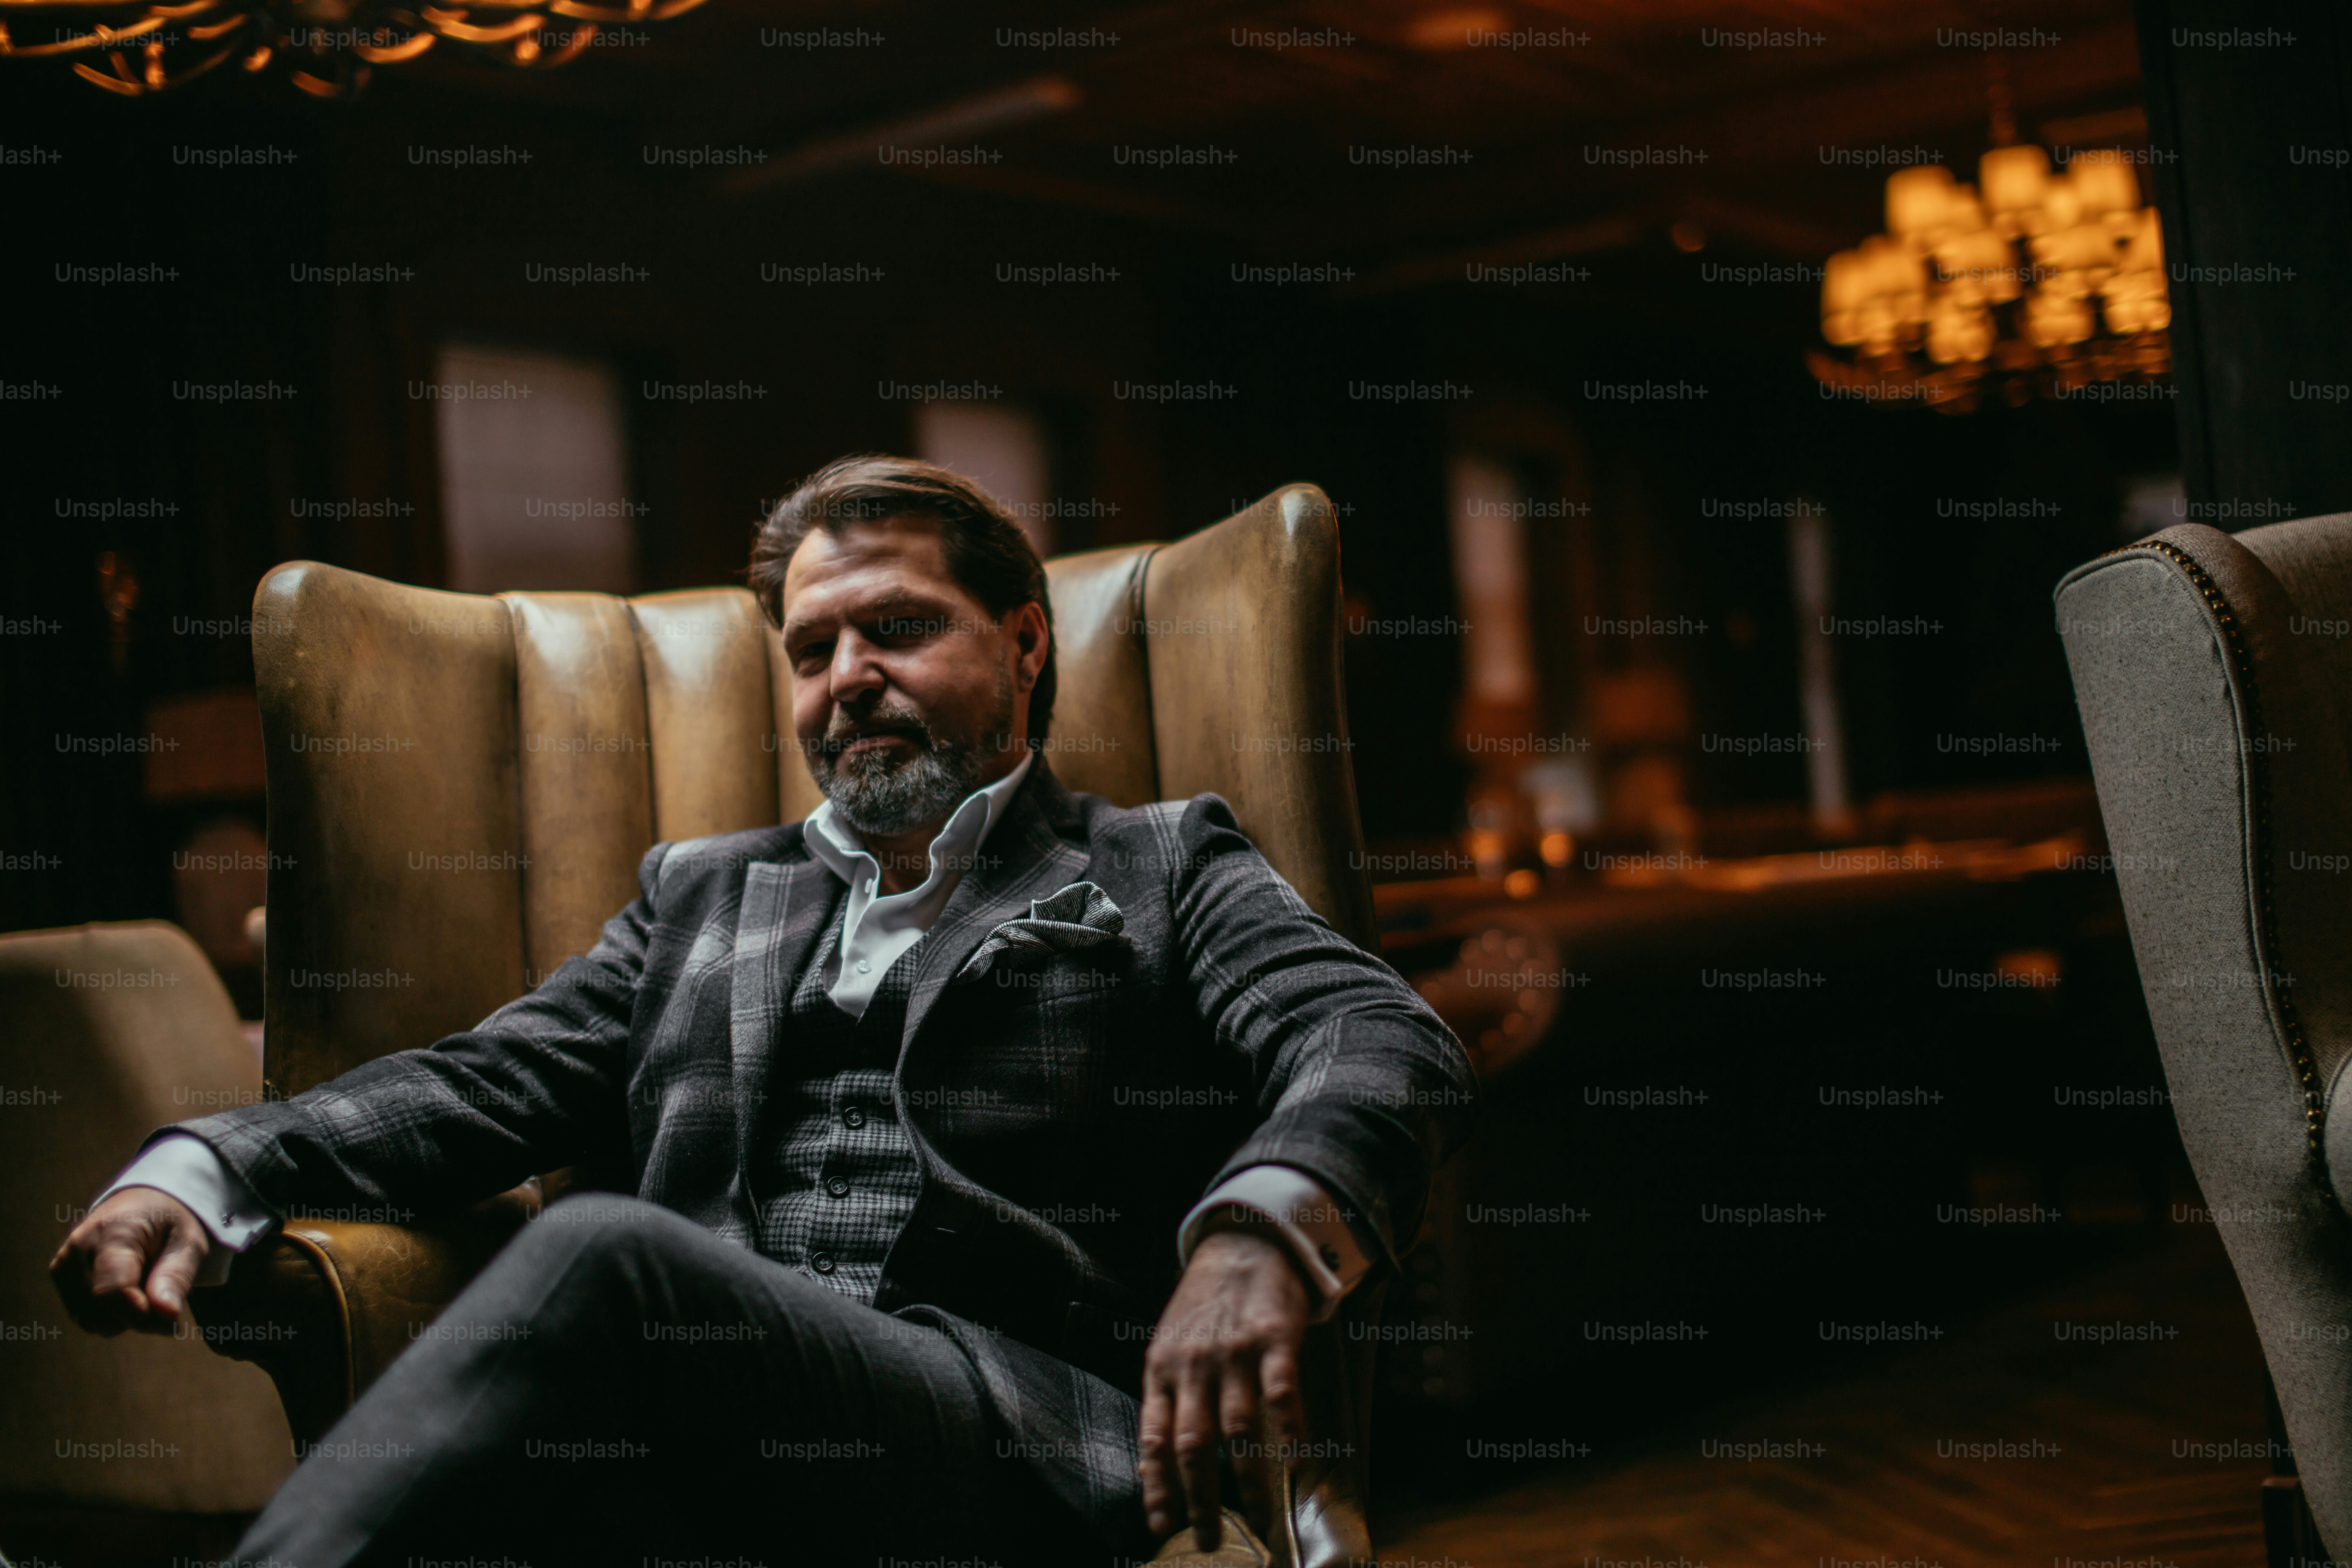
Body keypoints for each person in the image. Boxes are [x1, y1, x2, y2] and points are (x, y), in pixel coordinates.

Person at [52, 454, 1478, 1567]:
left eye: (901, 629)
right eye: (811, 649)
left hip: (1004, 1454)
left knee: (608, 1254)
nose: (847, 679)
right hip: (699, 1466)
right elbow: (485, 1087)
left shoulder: (1160, 865)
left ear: (1026, 645)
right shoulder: (701, 898)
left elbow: (1374, 1038)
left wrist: (1258, 1235)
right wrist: (213, 1163)